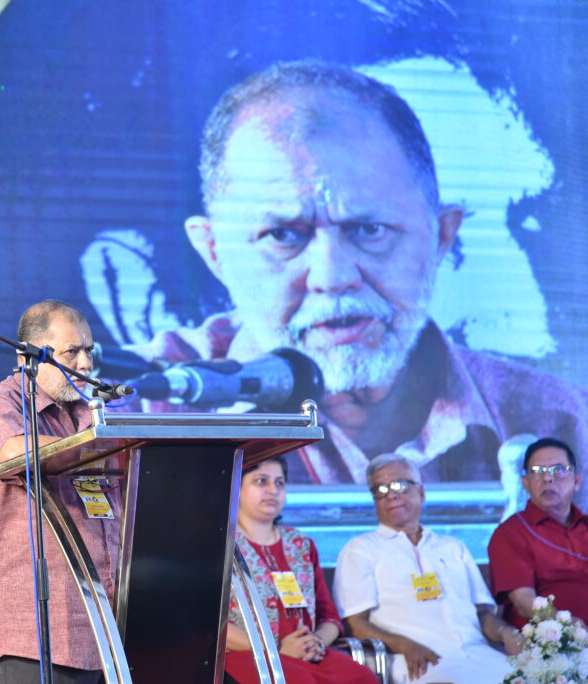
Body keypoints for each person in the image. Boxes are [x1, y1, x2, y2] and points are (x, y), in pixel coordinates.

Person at [133, 59, 588, 500]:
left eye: (370, 230)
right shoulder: (135, 415)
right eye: (284, 235)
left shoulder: (564, 425)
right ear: (214, 252)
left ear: (441, 236)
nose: (333, 277)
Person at [0, 299, 118, 683]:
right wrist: (96, 447)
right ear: (28, 357)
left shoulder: (89, 411)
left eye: (89, 351)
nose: (85, 364)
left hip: (109, 629)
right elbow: (11, 452)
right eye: (71, 353)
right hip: (37, 629)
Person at [333, 454, 522, 684]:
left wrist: (505, 632)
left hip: (479, 655)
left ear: (421, 492)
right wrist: (404, 645)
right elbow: (354, 623)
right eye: (380, 489)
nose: (391, 495)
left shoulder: (452, 547)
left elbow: (482, 614)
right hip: (420, 663)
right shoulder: (361, 549)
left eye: (400, 485)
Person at [224, 455, 378, 684]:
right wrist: (276, 648)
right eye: (261, 481)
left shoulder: (301, 544)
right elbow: (212, 624)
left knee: (362, 677)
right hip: (250, 655)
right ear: (237, 487)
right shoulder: (222, 546)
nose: (273, 490)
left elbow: (329, 616)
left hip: (308, 654)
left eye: (279, 483)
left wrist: (315, 642)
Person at [488, 437, 588, 627]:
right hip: (553, 640)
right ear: (526, 484)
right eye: (537, 471)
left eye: (559, 470)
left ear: (576, 481)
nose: (548, 478)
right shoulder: (510, 533)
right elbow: (524, 601)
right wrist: (571, 628)